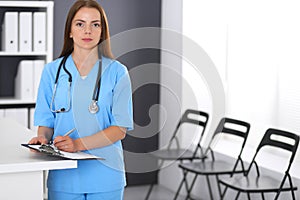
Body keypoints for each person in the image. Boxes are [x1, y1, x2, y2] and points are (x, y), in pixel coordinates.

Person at [28, 0, 133, 199]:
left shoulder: (118, 72)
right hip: (64, 176)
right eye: (80, 24)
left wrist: (78, 145)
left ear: (102, 31)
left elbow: (119, 129)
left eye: (95, 24)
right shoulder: (52, 72)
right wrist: (42, 140)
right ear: (70, 31)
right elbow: (47, 123)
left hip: (106, 175)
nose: (88, 31)